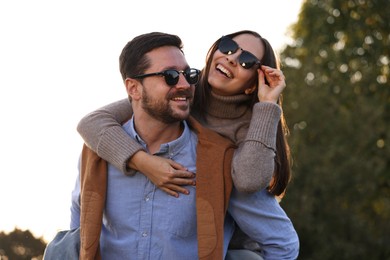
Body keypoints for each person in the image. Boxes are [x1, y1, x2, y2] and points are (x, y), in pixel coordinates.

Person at [77, 30, 296, 259]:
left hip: (234, 244)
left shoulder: (246, 132)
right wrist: (144, 162)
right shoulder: (183, 88)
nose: (232, 58)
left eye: (246, 60)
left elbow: (250, 183)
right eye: (229, 46)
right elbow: (92, 122)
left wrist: (268, 105)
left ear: (254, 83)